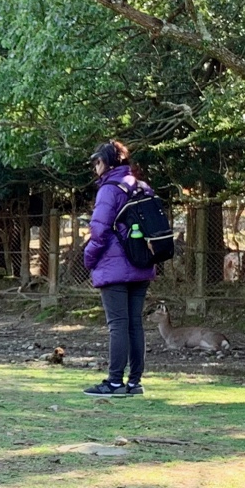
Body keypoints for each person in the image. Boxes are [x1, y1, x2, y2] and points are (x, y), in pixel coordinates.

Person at [81, 139, 158, 397]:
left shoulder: (109, 189)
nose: (95, 168)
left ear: (109, 163)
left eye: (98, 162)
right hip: (142, 262)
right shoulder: (142, 186)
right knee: (134, 324)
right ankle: (134, 383)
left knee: (118, 324)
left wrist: (89, 258)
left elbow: (99, 231)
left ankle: (114, 382)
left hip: (114, 266)